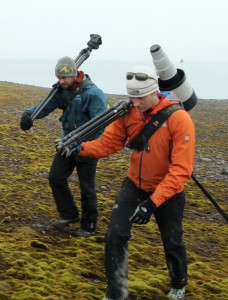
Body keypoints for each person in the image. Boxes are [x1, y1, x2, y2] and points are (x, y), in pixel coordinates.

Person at [75, 66, 195, 299]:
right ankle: (116, 291)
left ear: (154, 91)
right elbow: (110, 142)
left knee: (172, 239)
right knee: (115, 235)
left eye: (140, 97)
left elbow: (181, 170)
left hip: (168, 191)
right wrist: (80, 148)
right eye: (132, 96)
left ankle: (178, 282)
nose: (135, 102)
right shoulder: (129, 112)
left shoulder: (180, 119)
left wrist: (152, 203)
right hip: (135, 184)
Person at [20, 56, 108, 237]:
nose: (61, 81)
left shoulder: (94, 94)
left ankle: (89, 225)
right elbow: (46, 105)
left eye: (64, 78)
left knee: (87, 187)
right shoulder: (63, 91)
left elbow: (100, 126)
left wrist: (85, 146)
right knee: (55, 178)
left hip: (87, 147)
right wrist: (29, 115)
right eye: (59, 78)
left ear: (75, 74)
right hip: (66, 144)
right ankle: (69, 214)